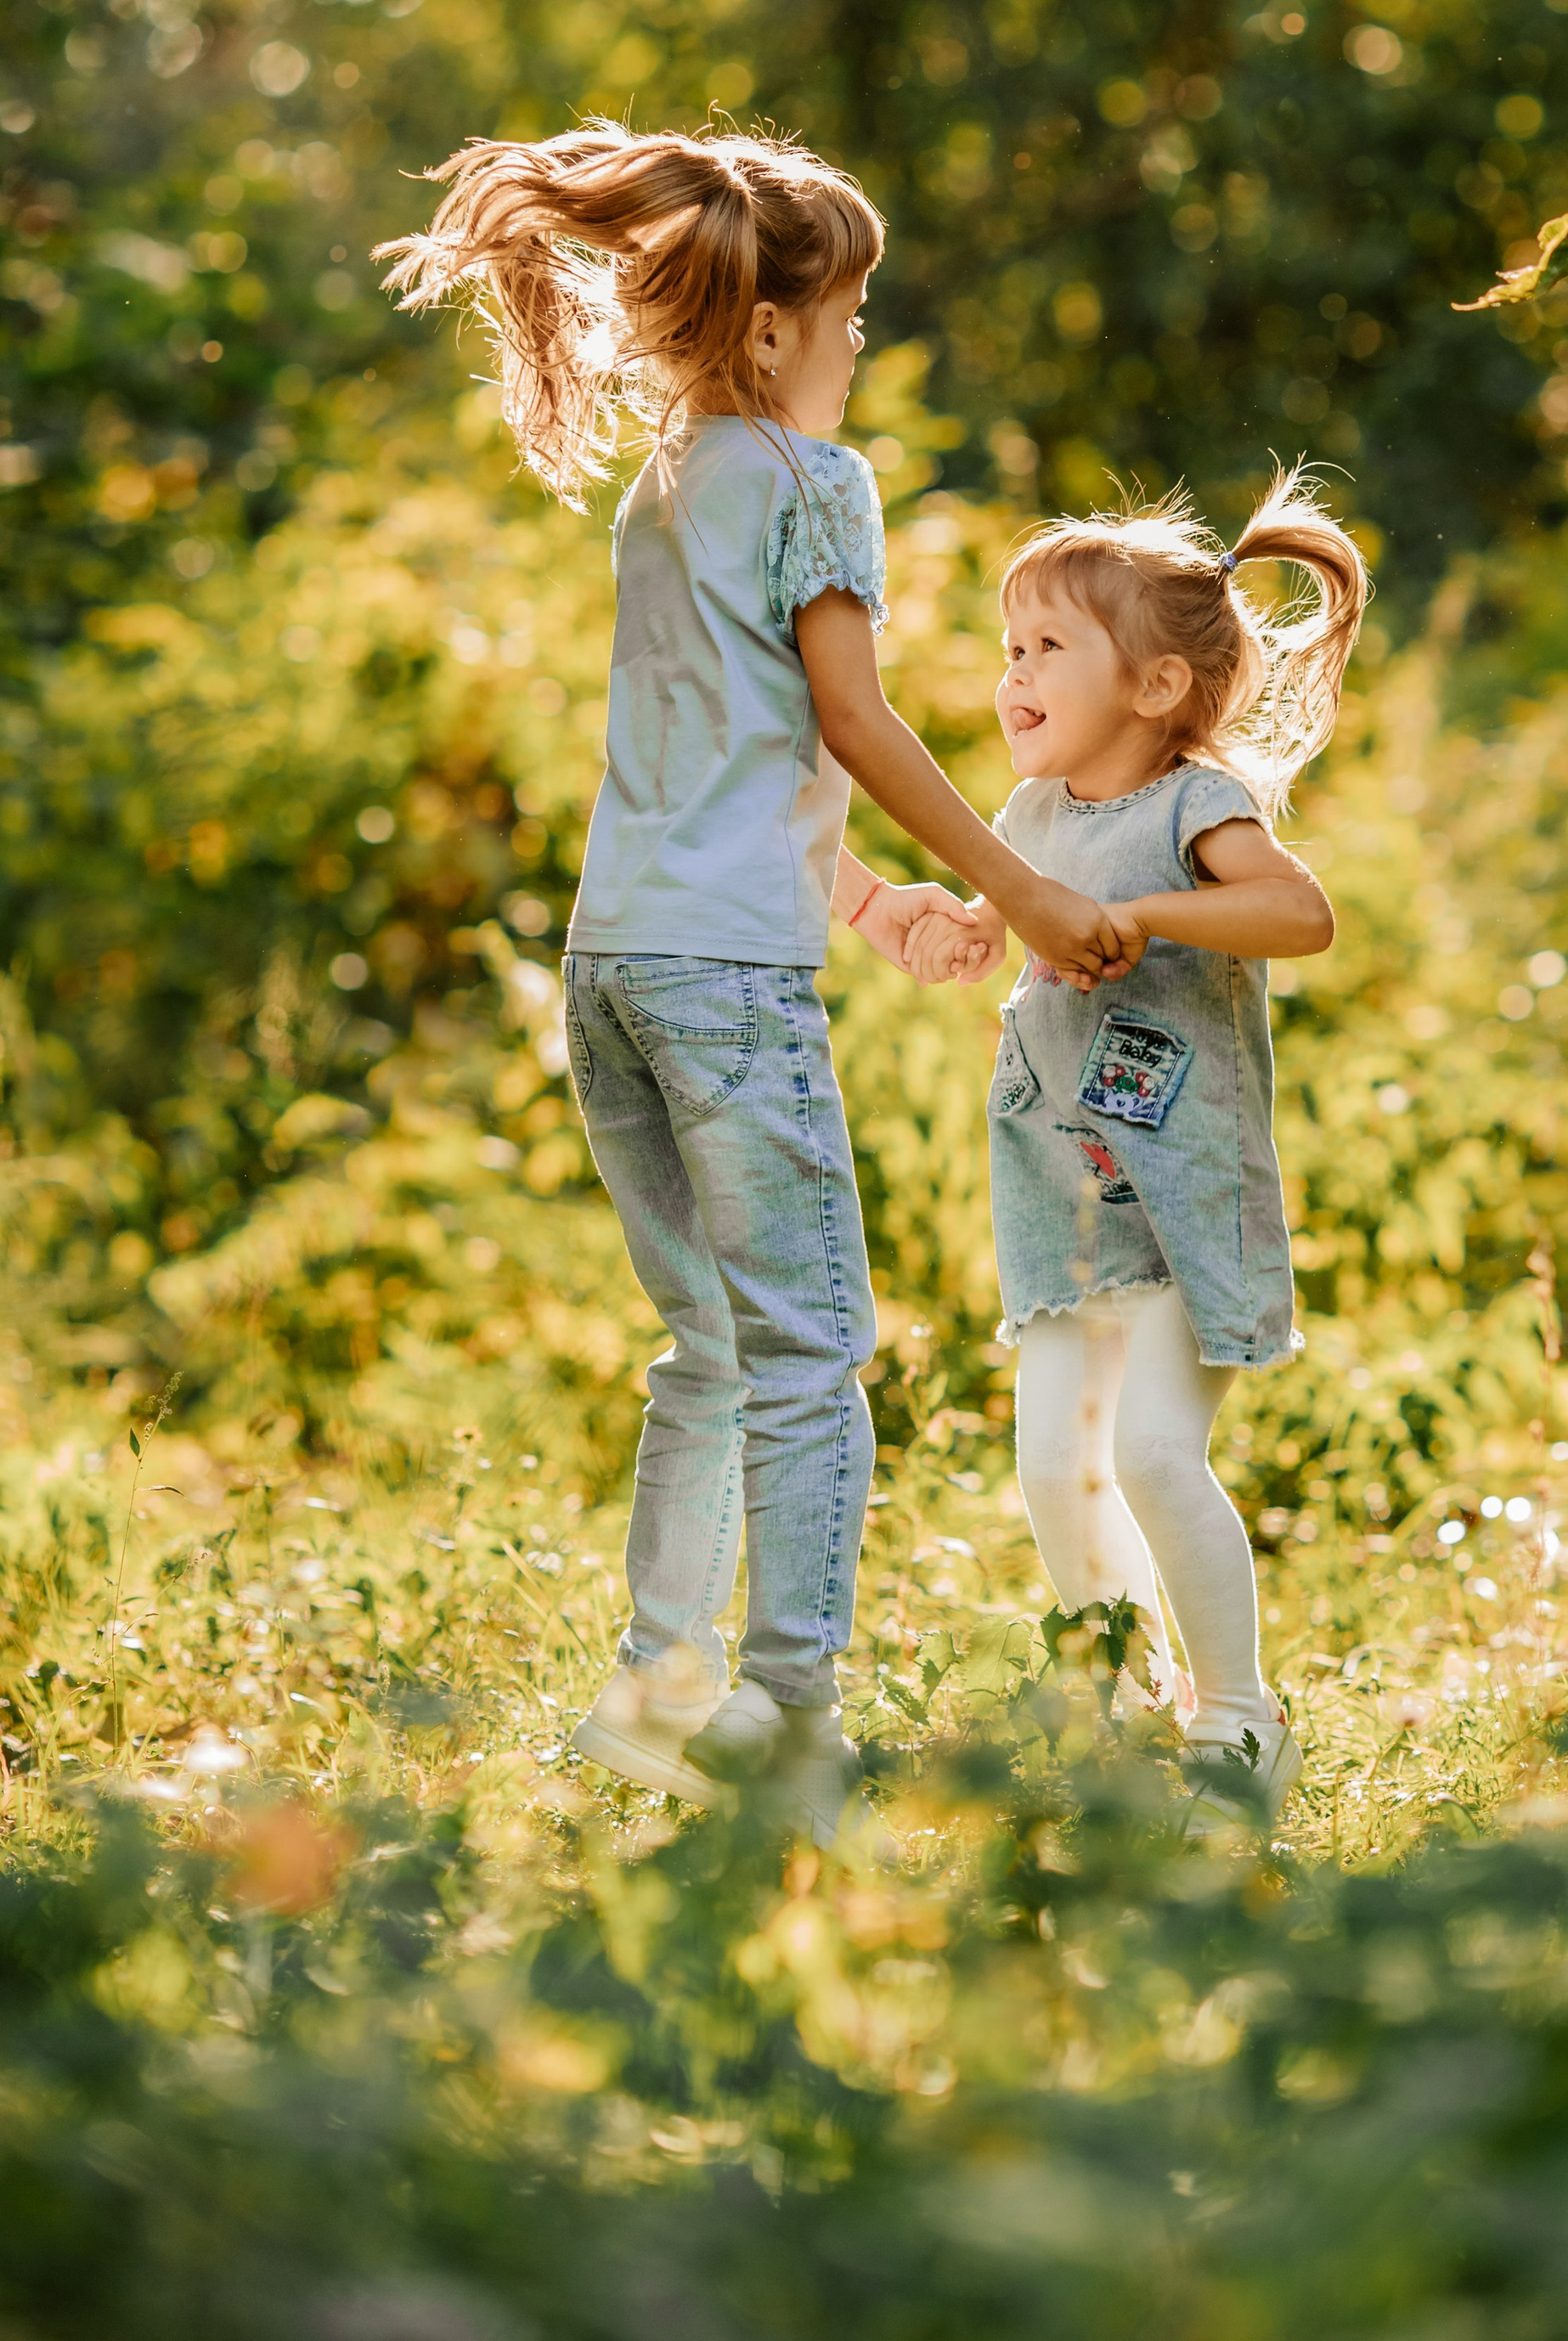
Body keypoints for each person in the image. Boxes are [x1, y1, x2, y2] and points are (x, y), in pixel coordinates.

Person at [378, 121, 1126, 1833]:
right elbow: (847, 722)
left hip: (616, 966)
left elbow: (721, 765)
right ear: (778, 326)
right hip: (721, 987)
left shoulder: (668, 486)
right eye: (853, 315)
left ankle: (652, 1695)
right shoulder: (811, 487)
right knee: (808, 1350)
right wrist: (1008, 880)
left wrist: (866, 913)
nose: (860, 346)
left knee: (705, 1347)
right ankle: (789, 1719)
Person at [906, 471, 1368, 1820]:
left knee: (1159, 1454)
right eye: (1010, 649)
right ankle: (1128, 1705)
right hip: (1064, 1201)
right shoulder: (1030, 820)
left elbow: (1300, 915)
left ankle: (1239, 1722)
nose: (1015, 674)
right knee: (1056, 1466)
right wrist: (956, 927)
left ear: (1157, 687)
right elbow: (1009, 927)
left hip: (1181, 1196)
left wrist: (1156, 920)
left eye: (1049, 646)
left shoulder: (1195, 803)